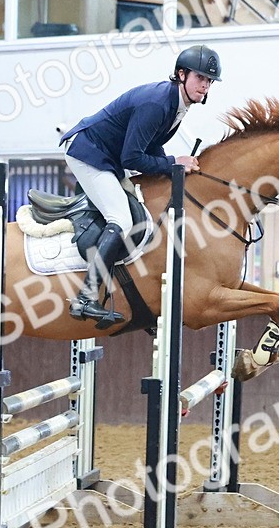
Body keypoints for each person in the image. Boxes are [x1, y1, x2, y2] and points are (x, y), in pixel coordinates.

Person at [58, 44, 221, 328]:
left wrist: (174, 169)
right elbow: (132, 158)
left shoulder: (177, 103)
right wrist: (174, 163)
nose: (205, 85)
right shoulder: (157, 103)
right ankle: (85, 297)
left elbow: (152, 145)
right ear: (182, 74)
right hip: (88, 152)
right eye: (200, 78)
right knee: (120, 219)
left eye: (209, 81)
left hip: (108, 157)